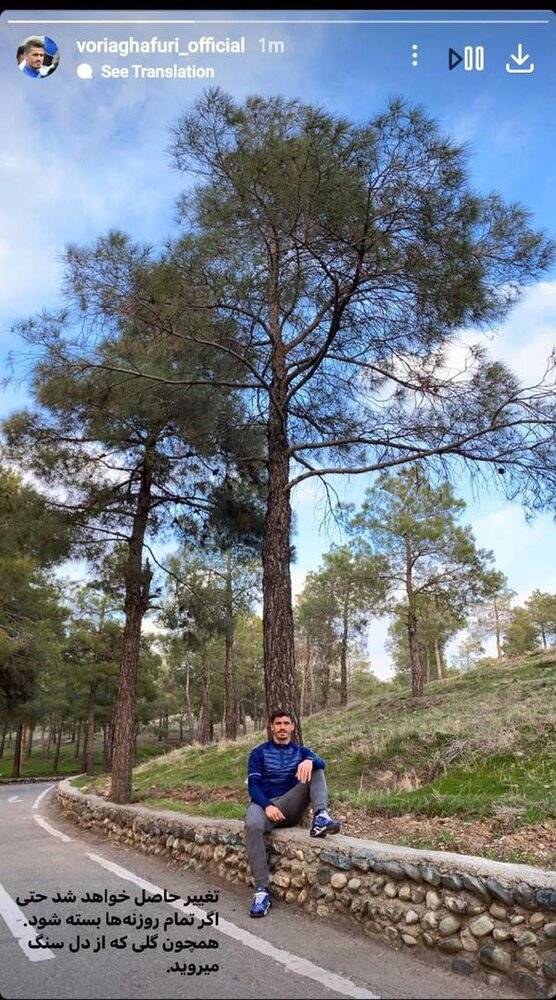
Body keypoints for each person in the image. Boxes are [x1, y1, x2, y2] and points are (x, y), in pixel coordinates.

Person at [245, 709, 341, 917]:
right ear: (271, 727)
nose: (282, 727)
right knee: (252, 825)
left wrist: (310, 760)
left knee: (317, 768)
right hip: (264, 805)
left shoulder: (301, 752)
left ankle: (321, 816)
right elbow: (253, 786)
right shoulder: (258, 753)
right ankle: (261, 891)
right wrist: (267, 806)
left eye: (286, 723)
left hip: (290, 806)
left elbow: (322, 764)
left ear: (292, 727)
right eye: (278, 723)